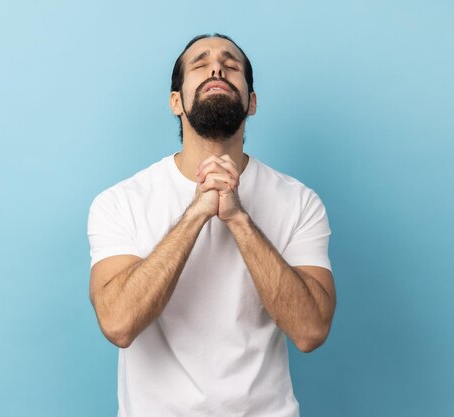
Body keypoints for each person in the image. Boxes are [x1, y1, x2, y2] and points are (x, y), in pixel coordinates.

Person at [87, 33, 336, 417]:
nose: (217, 67)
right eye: (200, 64)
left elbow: (311, 331)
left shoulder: (299, 201)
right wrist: (196, 213)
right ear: (176, 102)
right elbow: (118, 323)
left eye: (231, 66)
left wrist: (238, 218)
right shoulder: (120, 202)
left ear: (251, 102)